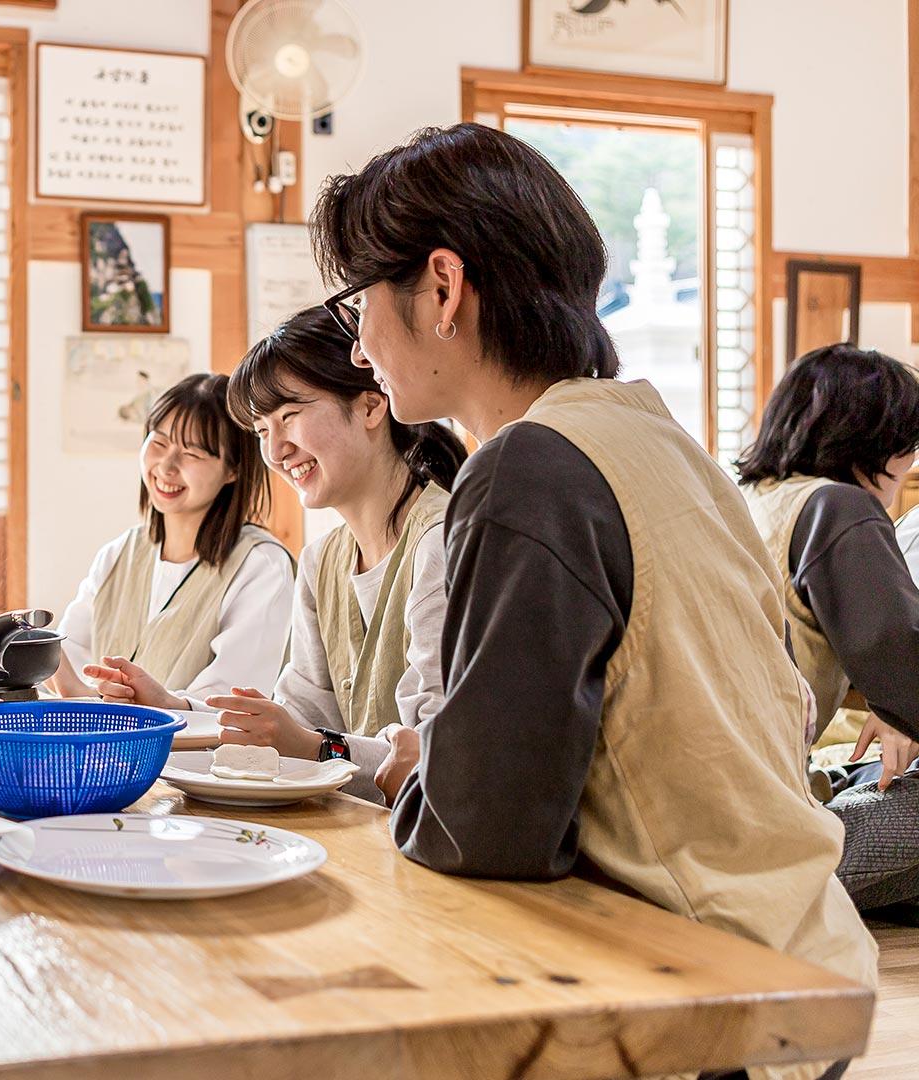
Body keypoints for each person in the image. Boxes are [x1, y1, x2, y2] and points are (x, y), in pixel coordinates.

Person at [318, 124, 875, 1080]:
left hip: (701, 997)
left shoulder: (525, 468)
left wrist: (432, 770)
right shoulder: (659, 439)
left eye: (355, 302)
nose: (359, 343)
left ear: (441, 289)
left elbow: (487, 835)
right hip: (803, 940)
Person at [82, 306, 465, 804]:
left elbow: (435, 755)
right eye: (262, 430)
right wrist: (174, 707)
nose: (277, 449)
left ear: (372, 406)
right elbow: (295, 716)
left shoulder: (440, 540)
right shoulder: (322, 559)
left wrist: (309, 744)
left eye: (289, 416)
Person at [738, 344, 919, 910]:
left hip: (725, 794)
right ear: (879, 441)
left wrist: (889, 706)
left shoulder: (752, 498)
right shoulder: (838, 509)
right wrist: (897, 703)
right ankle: (772, 888)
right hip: (750, 828)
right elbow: (904, 659)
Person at [49, 372, 294, 707]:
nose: (166, 466)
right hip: (109, 755)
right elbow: (68, 656)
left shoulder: (261, 566)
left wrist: (88, 695)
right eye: (159, 442)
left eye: (192, 453)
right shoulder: (119, 554)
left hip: (204, 760)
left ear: (233, 469)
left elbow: (230, 702)